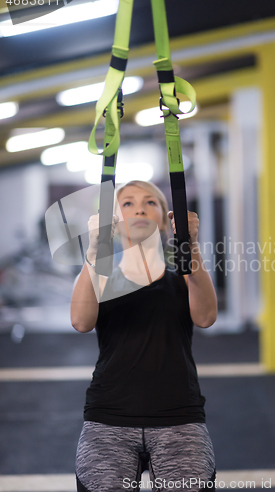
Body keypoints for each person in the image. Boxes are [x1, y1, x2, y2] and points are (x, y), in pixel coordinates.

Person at [71, 179, 218, 492]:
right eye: (127, 203)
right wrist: (95, 250)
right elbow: (81, 322)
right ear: (115, 221)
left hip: (179, 416)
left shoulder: (184, 272)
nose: (139, 207)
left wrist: (190, 245)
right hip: (108, 418)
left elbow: (205, 317)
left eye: (150, 202)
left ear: (167, 218)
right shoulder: (101, 273)